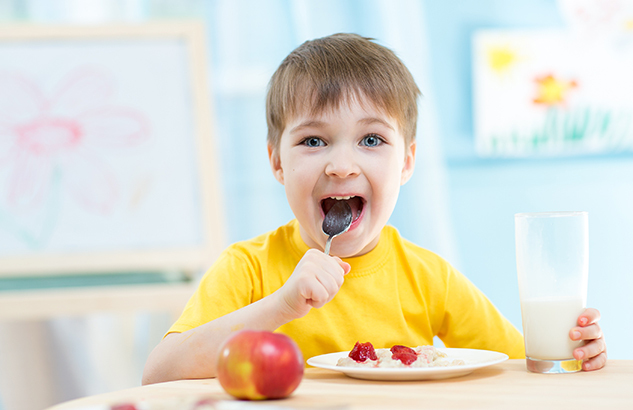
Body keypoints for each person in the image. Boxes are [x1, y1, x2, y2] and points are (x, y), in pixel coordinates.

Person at [142, 33, 606, 385]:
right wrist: (281, 305)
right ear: (277, 162)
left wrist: (576, 352)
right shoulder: (248, 269)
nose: (342, 166)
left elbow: (519, 367)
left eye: (371, 140)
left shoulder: (426, 277)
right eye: (313, 140)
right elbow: (160, 375)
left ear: (406, 162)